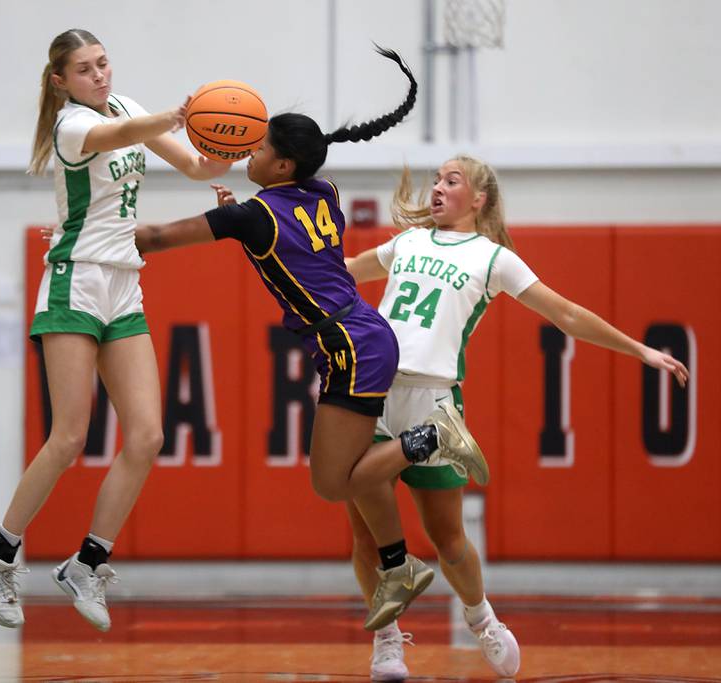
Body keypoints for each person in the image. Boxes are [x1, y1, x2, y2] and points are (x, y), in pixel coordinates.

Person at [133, 46, 489, 632]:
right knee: (356, 468)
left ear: (281, 167)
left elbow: (157, 238)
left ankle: (434, 436)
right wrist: (237, 212)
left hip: (350, 344)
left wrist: (91, 233)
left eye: (260, 145)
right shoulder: (321, 193)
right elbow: (282, 232)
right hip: (362, 335)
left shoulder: (255, 215)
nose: (251, 149)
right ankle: (398, 565)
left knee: (331, 482)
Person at [343, 155, 690, 679]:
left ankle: (481, 618)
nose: (437, 188)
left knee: (448, 539)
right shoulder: (406, 242)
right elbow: (339, 273)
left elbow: (566, 314)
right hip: (371, 391)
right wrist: (265, 239)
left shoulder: (494, 259)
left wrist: (640, 350)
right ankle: (387, 641)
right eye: (436, 180)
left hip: (434, 402)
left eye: (451, 181)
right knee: (365, 538)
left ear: (478, 199)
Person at [0, 28, 230, 632]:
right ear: (61, 80)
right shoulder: (71, 126)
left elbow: (192, 163)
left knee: (147, 436)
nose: (100, 76)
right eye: (84, 69)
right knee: (69, 438)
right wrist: (179, 113)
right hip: (76, 279)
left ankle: (87, 563)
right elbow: (122, 136)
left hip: (124, 283)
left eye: (103, 64)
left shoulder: (129, 107)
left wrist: (229, 145)